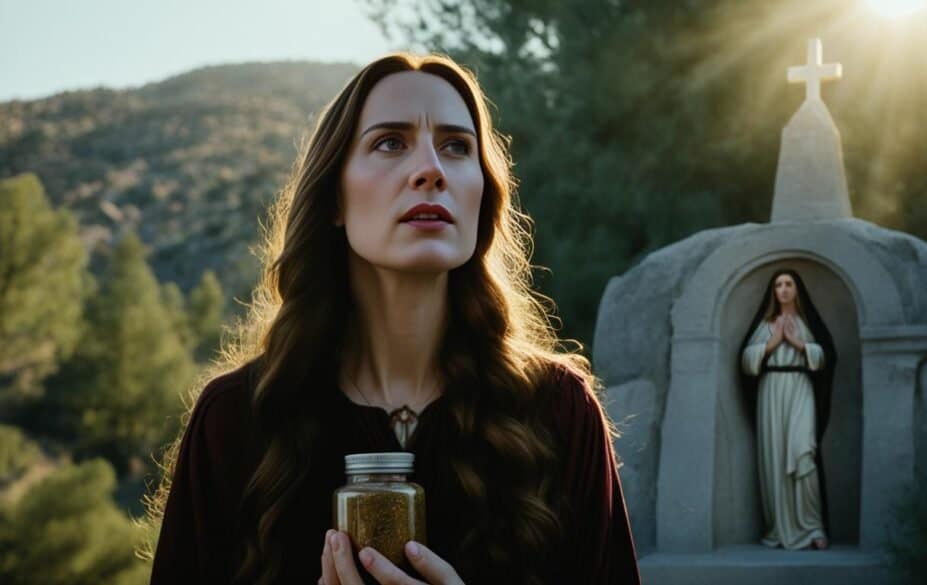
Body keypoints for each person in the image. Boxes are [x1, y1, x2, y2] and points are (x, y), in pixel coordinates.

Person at [145, 52, 641, 585]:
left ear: (483, 197)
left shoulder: (559, 413)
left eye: (456, 146)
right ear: (334, 197)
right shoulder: (236, 421)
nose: (430, 169)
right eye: (390, 142)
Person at [739, 268, 837, 551]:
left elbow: (826, 357)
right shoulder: (766, 324)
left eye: (789, 284)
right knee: (775, 457)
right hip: (771, 389)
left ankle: (812, 525)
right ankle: (778, 528)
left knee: (802, 450)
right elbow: (746, 361)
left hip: (800, 387)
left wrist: (795, 342)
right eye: (778, 284)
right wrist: (771, 343)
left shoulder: (807, 323)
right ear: (773, 290)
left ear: (797, 289)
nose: (783, 289)